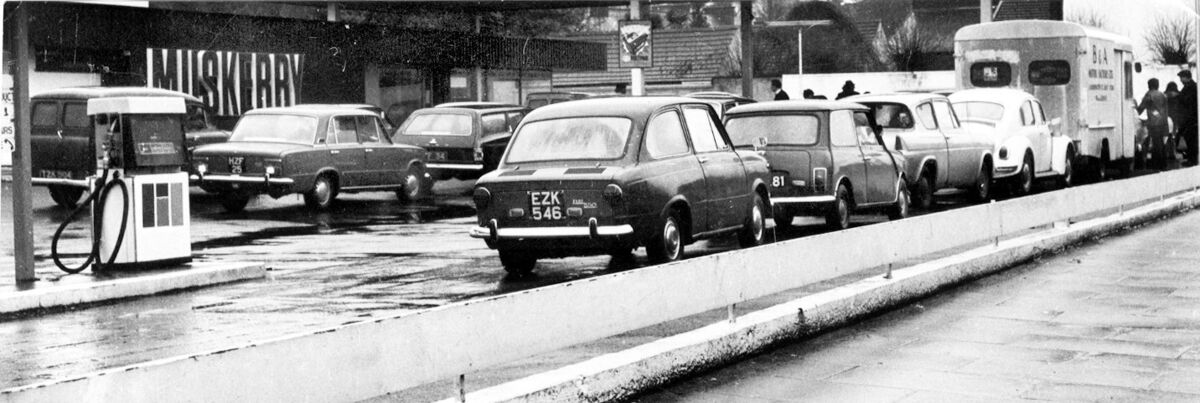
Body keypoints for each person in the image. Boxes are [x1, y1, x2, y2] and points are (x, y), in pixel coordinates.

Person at [1136, 78, 1169, 169]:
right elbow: (1165, 110)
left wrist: (1135, 112)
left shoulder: (1149, 95)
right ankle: (1163, 164)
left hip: (1154, 123)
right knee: (1162, 143)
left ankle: (1157, 164)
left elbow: (1141, 108)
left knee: (1156, 143)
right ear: (1157, 85)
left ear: (1149, 85)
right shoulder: (1163, 95)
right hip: (1163, 122)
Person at [1179, 70, 1198, 166]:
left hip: (1191, 118)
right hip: (1190, 117)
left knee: (1191, 138)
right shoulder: (1190, 86)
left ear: (1187, 77)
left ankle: (1192, 159)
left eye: (1181, 77)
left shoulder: (1191, 87)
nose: (1180, 80)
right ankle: (1191, 158)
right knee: (1189, 138)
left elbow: (1188, 101)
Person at [1165, 81, 1182, 161]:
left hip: (1168, 119)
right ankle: (1173, 153)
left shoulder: (1165, 96)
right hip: (1175, 119)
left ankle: (1169, 153)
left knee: (1168, 137)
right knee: (1174, 137)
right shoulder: (1179, 96)